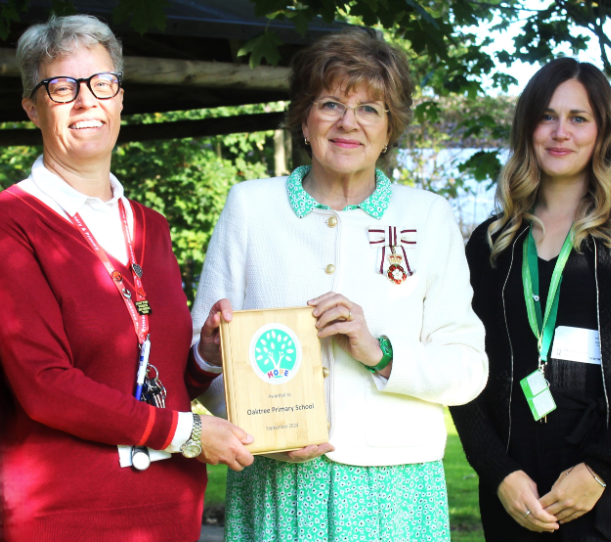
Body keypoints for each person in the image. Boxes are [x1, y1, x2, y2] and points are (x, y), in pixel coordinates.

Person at [190, 28, 488, 542]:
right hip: (278, 480)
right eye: (330, 103)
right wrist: (253, 426)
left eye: (371, 109)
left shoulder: (430, 217)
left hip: (396, 488)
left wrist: (381, 352)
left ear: (390, 129)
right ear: (304, 119)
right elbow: (204, 352)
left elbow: (468, 369)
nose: (349, 122)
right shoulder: (250, 207)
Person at [0, 15, 254, 542]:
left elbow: (150, 375)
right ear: (32, 108)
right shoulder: (9, 224)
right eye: (61, 87)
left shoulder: (151, 227)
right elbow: (45, 385)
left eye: (102, 83)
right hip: (62, 517)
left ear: (120, 98)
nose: (86, 101)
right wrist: (186, 433)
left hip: (168, 511)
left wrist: (205, 356)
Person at [448, 58, 611, 542]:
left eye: (578, 118)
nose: (560, 132)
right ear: (527, 129)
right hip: (521, 500)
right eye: (547, 116)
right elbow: (463, 367)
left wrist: (602, 470)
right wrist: (497, 472)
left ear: (602, 131)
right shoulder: (489, 244)